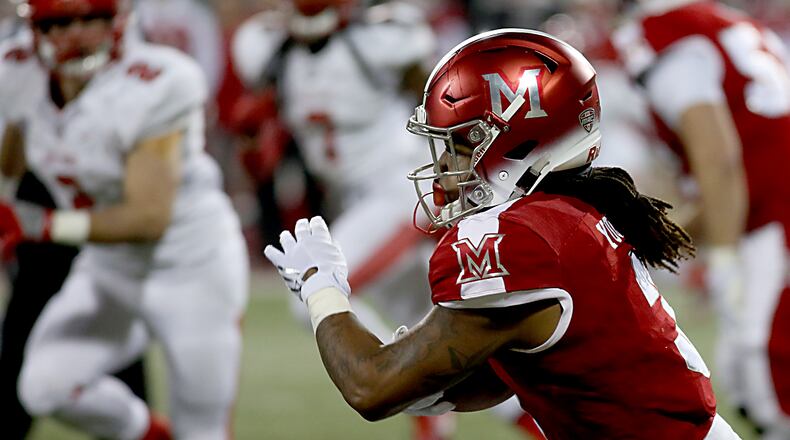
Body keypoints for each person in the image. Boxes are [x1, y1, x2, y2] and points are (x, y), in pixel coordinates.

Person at [264, 28, 743, 439]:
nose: (443, 166)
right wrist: (424, 384)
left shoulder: (518, 239)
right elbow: (503, 375)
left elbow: (369, 387)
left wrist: (321, 286)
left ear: (518, 140)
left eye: (458, 144)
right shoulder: (571, 210)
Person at [0, 0, 249, 438]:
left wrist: (40, 225)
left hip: (191, 264)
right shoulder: (17, 70)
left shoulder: (158, 79)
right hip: (111, 265)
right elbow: (14, 156)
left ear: (117, 20)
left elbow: (148, 217)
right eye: (58, 22)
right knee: (45, 386)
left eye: (90, 19)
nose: (75, 34)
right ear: (35, 29)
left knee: (201, 429)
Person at [612, 1, 790, 438]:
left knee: (766, 376)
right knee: (744, 376)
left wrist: (723, 262)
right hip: (768, 213)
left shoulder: (662, 33)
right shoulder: (716, 17)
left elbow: (720, 159)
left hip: (774, 219)